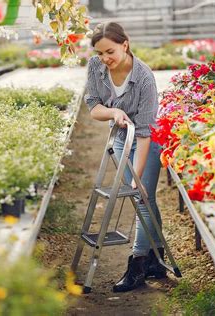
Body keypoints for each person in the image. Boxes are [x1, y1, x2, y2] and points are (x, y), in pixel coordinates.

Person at [84, 22, 166, 292]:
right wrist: (113, 113)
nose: (105, 59)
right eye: (99, 53)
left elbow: (144, 133)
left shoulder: (144, 77)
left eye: (110, 51)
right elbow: (93, 105)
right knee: (145, 200)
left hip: (148, 141)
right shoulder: (97, 68)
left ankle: (137, 264)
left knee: (141, 196)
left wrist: (137, 178)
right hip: (121, 139)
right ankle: (157, 257)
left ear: (125, 44)